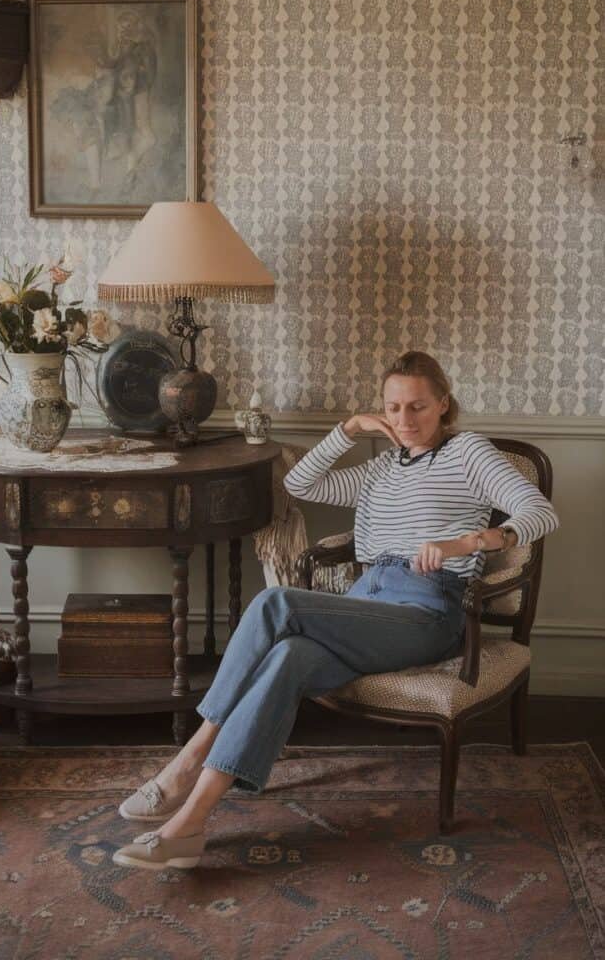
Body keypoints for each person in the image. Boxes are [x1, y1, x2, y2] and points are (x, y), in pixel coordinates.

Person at [112, 350, 559, 870]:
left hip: (429, 609)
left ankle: (188, 757)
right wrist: (347, 428)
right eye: (392, 408)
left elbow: (540, 512)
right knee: (289, 658)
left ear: (443, 404)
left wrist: (472, 541)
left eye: (417, 406)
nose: (404, 420)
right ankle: (188, 825)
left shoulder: (469, 453)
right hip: (366, 601)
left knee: (277, 601)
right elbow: (300, 484)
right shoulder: (383, 467)